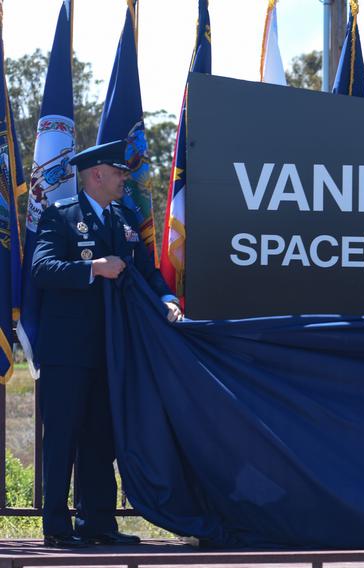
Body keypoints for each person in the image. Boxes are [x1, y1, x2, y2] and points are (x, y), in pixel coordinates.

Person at [31, 139, 182, 548]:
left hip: (113, 351)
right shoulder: (60, 217)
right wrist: (93, 268)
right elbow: (43, 269)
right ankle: (57, 528)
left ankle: (97, 522)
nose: (123, 180)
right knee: (62, 437)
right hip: (68, 351)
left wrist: (167, 299)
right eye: (118, 173)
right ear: (96, 174)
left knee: (101, 437)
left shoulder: (125, 218)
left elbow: (147, 272)